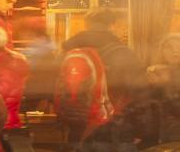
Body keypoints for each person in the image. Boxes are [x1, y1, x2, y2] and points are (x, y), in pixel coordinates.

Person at [59, 9, 145, 148]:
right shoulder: (123, 53)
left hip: (78, 118)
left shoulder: (69, 51)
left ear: (87, 24)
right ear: (112, 24)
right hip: (114, 120)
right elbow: (137, 90)